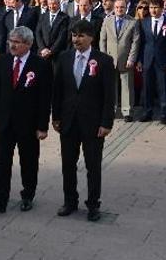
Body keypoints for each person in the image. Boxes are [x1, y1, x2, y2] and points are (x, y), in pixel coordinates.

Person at [0, 26, 52, 214]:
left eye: (16, 42)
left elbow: (44, 98)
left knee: (28, 161)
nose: (12, 45)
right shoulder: (3, 61)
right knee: (2, 162)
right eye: (10, 41)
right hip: (5, 121)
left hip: (28, 124)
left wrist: (42, 126)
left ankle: (28, 194)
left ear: (28, 44)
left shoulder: (40, 65)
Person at [52, 20, 115, 222]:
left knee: (92, 166)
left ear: (91, 38)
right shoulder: (64, 57)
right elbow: (58, 90)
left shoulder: (103, 61)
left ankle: (93, 204)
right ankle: (70, 201)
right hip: (69, 121)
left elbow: (109, 95)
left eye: (81, 35)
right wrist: (56, 117)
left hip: (93, 123)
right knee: (68, 164)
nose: (76, 39)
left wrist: (106, 123)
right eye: (74, 35)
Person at [100, 0, 141, 122]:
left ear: (126, 7)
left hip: (126, 59)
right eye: (117, 7)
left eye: (122, 7)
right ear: (114, 8)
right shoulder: (107, 21)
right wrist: (103, 58)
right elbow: (102, 40)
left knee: (127, 86)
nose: (119, 9)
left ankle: (127, 111)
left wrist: (131, 59)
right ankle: (111, 110)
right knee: (111, 87)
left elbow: (135, 42)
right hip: (110, 59)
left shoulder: (133, 22)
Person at [138, 0, 166, 124]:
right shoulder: (144, 22)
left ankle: (164, 114)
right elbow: (141, 43)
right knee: (148, 87)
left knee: (163, 88)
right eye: (151, 8)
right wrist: (139, 60)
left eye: (156, 7)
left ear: (161, 8)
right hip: (148, 59)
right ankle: (147, 112)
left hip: (163, 61)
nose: (153, 10)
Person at [36, 0, 70, 66]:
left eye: (54, 4)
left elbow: (62, 36)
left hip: (56, 55)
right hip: (42, 54)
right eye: (50, 4)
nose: (52, 6)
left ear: (59, 4)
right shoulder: (43, 16)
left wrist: (51, 51)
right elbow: (38, 33)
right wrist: (43, 49)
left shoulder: (64, 18)